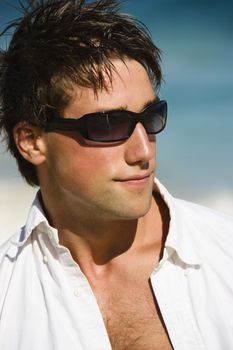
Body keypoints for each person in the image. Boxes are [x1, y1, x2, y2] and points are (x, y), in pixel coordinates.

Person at [0, 0, 232, 349]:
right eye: (109, 125)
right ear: (32, 141)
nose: (144, 151)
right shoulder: (7, 298)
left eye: (151, 116)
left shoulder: (225, 253)